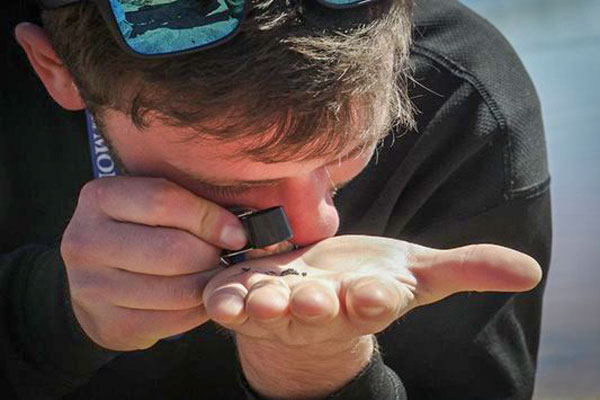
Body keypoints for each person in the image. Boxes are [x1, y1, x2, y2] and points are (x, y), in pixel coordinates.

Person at [0, 0, 552, 398]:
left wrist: (318, 368)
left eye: (351, 151)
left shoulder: (464, 100)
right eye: (234, 186)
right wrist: (51, 314)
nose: (317, 227)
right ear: (57, 71)